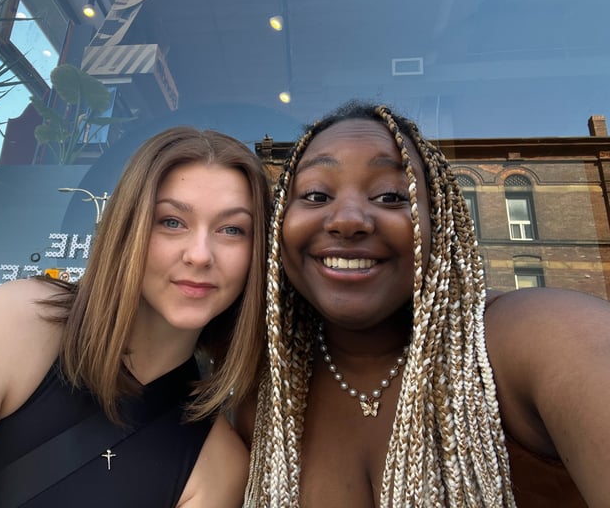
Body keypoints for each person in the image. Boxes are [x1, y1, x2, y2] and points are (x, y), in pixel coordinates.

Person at [0, 126, 271, 508]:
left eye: (233, 230)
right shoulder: (22, 323)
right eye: (172, 221)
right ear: (128, 230)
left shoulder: (218, 465)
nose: (199, 254)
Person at [240, 101, 610, 507]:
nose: (347, 219)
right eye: (315, 194)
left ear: (441, 222)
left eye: (390, 195)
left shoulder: (535, 337)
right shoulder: (259, 403)